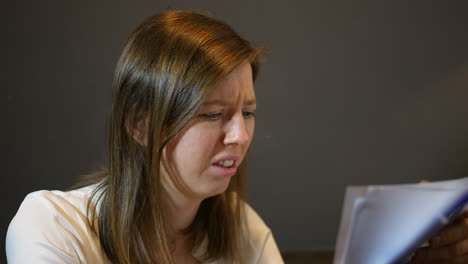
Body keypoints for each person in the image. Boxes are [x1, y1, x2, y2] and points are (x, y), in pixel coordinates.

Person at [6, 11, 284, 264]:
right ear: (140, 126)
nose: (240, 136)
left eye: (248, 112)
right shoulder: (54, 226)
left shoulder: (244, 230)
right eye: (212, 114)